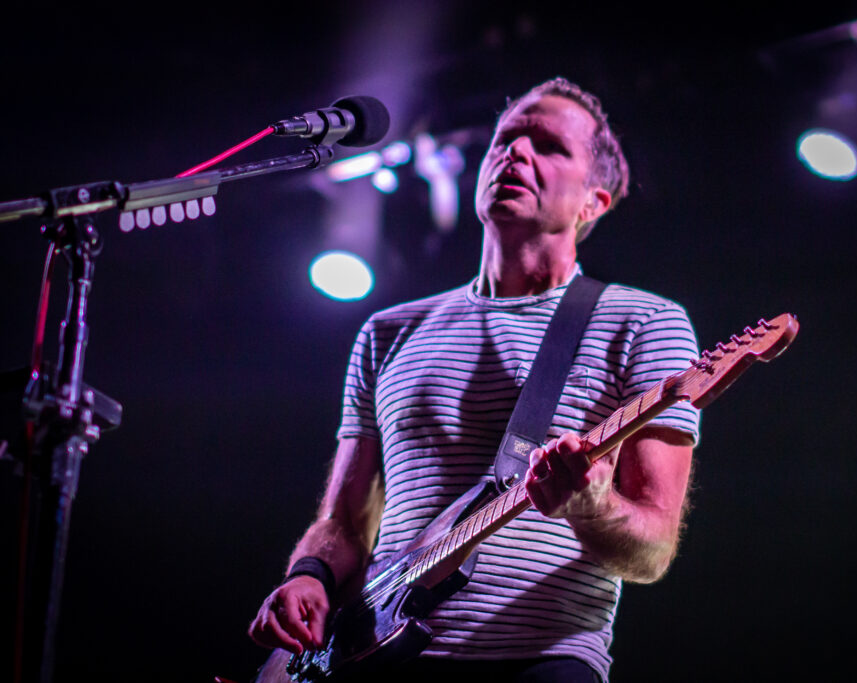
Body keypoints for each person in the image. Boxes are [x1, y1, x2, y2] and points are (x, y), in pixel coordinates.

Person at [248, 77, 701, 682]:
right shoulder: (387, 330)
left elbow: (652, 549)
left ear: (595, 201)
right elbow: (343, 522)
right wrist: (309, 575)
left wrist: (590, 504)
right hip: (374, 657)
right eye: (506, 139)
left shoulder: (644, 321)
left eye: (548, 145)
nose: (516, 152)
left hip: (542, 661)